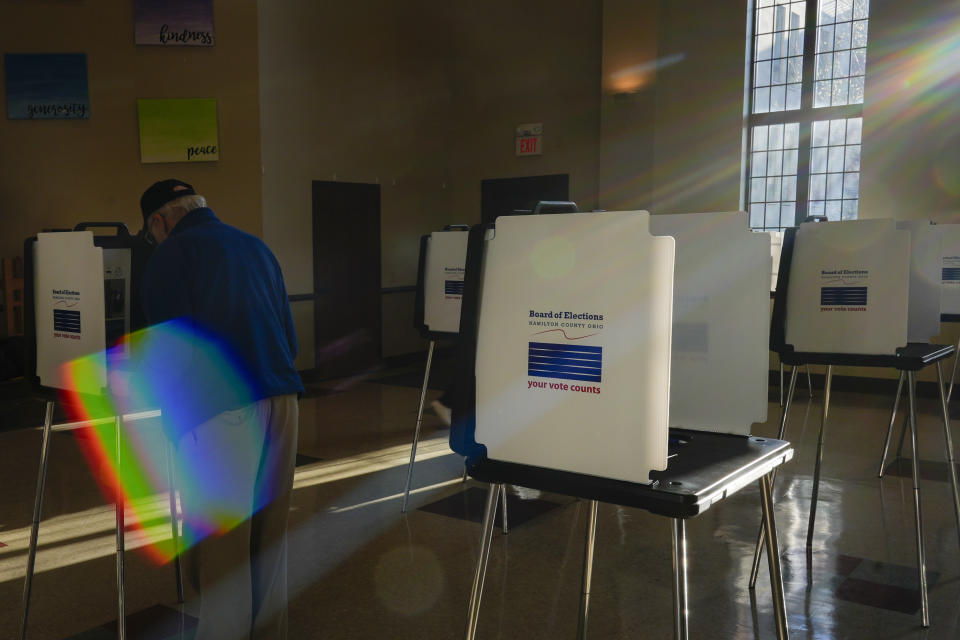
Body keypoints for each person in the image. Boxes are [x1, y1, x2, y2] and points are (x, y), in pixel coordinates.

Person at [139, 179, 304, 640]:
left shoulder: (171, 254)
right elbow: (289, 337)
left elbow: (170, 347)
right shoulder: (256, 247)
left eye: (151, 232)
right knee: (270, 538)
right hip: (283, 399)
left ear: (160, 221)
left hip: (220, 410)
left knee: (222, 546)